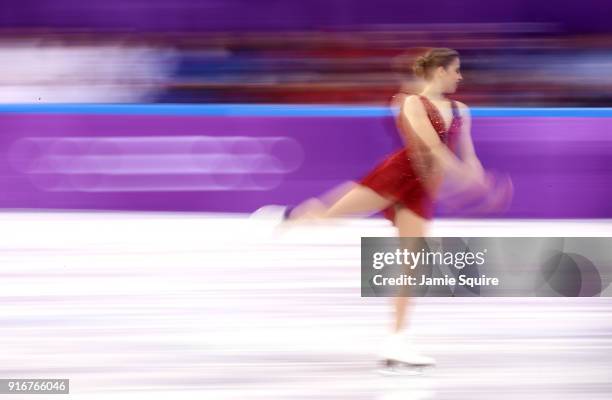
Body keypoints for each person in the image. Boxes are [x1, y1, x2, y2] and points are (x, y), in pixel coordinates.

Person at [253, 48, 511, 368]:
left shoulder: (461, 110)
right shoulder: (408, 102)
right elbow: (430, 149)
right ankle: (287, 216)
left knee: (414, 263)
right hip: (395, 176)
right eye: (456, 70)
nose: (460, 76)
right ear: (440, 71)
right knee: (328, 217)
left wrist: (479, 177)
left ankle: (396, 341)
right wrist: (470, 185)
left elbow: (467, 154)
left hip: (422, 187)